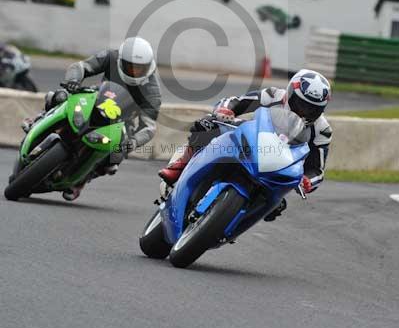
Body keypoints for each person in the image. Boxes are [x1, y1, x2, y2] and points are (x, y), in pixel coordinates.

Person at [159, 69, 332, 220]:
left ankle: (235, 221)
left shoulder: (322, 129)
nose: (304, 111)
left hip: (280, 165)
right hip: (251, 142)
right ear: (290, 94)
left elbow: (317, 170)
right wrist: (225, 110)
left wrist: (307, 180)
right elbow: (235, 101)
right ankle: (180, 167)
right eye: (301, 104)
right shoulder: (273, 95)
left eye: (312, 109)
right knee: (207, 125)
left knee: (276, 206)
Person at [25, 37, 162, 201]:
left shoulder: (152, 90)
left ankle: (81, 181)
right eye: (130, 66)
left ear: (148, 67)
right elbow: (81, 67)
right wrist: (73, 80)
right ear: (121, 60)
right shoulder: (111, 57)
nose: (134, 71)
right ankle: (37, 119)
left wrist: (133, 142)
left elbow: (149, 127)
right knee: (59, 96)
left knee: (115, 157)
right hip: (96, 98)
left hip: (122, 121)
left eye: (139, 69)